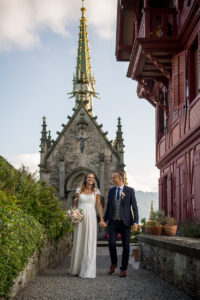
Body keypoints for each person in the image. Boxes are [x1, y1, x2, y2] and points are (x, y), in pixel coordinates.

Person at [69, 173, 106, 278]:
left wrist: (102, 219)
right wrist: (74, 216)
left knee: (89, 240)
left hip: (91, 216)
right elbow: (75, 205)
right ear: (85, 179)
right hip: (80, 217)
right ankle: (77, 268)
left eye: (93, 178)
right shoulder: (78, 190)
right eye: (89, 177)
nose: (91, 179)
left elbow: (99, 205)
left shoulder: (96, 191)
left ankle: (88, 269)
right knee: (79, 240)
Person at [103, 170, 139, 277]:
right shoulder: (111, 191)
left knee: (126, 247)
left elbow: (134, 207)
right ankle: (114, 263)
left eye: (114, 177)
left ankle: (123, 268)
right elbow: (109, 207)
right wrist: (104, 220)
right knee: (111, 244)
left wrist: (136, 221)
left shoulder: (130, 190)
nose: (112, 179)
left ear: (120, 178)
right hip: (113, 222)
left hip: (126, 223)